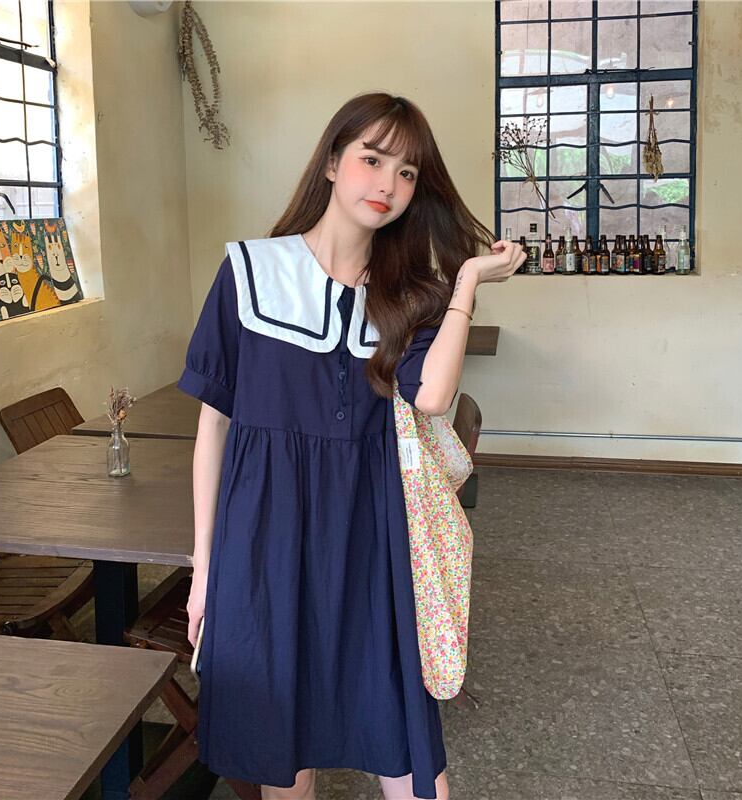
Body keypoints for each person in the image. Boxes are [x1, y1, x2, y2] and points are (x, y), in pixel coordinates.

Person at [177, 92, 525, 800]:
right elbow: (213, 426)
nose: (388, 184)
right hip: (265, 541)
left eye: (407, 173)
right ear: (333, 163)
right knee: (284, 751)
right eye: (372, 160)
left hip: (374, 539)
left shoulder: (414, 295)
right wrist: (205, 567)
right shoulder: (249, 272)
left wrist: (464, 282)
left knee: (406, 746)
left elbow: (433, 397)